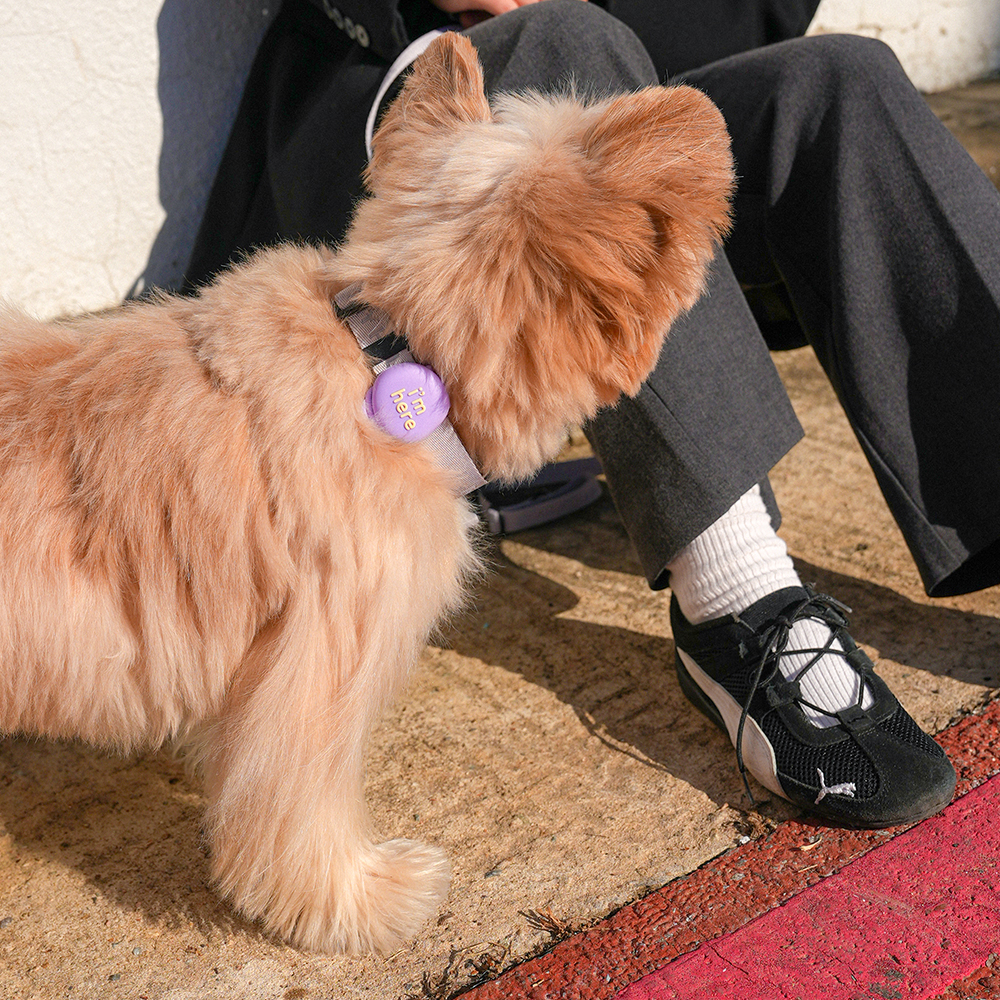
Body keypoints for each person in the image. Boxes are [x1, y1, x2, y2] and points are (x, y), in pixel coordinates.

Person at [183, 0, 1000, 828]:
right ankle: (736, 603)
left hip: (621, 75)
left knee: (838, 78)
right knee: (561, 39)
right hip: (399, 111)